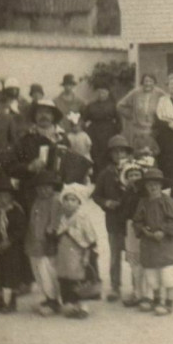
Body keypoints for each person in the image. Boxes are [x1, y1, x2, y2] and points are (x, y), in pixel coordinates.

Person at [133, 168, 173, 316]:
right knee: (152, 272)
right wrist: (143, 230)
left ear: (161, 186)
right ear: (146, 187)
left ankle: (168, 302)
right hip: (149, 242)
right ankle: (156, 298)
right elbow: (137, 221)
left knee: (167, 273)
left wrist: (164, 230)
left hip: (164, 243)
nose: (153, 187)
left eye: (156, 184)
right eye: (149, 185)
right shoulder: (143, 202)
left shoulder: (167, 201)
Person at [92, 135, 134, 302]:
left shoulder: (133, 170)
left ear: (127, 153)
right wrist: (106, 202)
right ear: (110, 154)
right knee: (115, 255)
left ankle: (137, 287)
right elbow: (96, 195)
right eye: (115, 152)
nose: (119, 154)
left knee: (133, 255)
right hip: (114, 220)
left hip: (130, 220)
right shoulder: (105, 174)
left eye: (122, 151)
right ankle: (115, 287)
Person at [10, 99, 70, 212]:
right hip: (32, 193)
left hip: (57, 193)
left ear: (53, 116)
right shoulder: (25, 140)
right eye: (40, 112)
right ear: (34, 116)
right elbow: (11, 167)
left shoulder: (63, 139)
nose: (44, 115)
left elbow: (70, 167)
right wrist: (28, 167)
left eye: (48, 112)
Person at [54, 184, 98, 319]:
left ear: (79, 202)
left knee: (80, 279)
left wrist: (86, 255)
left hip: (79, 252)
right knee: (66, 279)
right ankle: (72, 304)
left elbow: (90, 238)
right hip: (65, 253)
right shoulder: (61, 218)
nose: (69, 203)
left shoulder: (82, 218)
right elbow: (58, 233)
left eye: (73, 200)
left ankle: (83, 305)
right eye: (66, 200)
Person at [25, 170, 63, 316]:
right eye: (40, 188)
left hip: (47, 242)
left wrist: (50, 232)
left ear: (53, 187)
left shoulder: (55, 200)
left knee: (48, 271)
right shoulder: (37, 201)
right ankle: (47, 297)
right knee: (38, 271)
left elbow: (55, 221)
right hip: (34, 242)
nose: (43, 190)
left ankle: (54, 300)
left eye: (47, 187)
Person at [0, 176, 27, 314]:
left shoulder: (16, 211)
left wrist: (9, 241)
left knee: (13, 272)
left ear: (11, 197)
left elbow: (21, 229)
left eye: (6, 196)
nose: (2, 199)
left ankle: (13, 300)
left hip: (12, 247)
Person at [118, 161, 147, 307]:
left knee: (144, 260)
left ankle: (144, 294)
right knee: (134, 261)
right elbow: (123, 211)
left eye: (137, 174)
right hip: (130, 227)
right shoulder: (127, 193)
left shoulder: (145, 192)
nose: (134, 178)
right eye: (131, 175)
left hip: (142, 227)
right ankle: (136, 291)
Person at [116, 73, 166, 151]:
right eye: (146, 81)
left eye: (150, 81)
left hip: (154, 130)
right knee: (137, 152)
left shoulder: (160, 93)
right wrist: (131, 115)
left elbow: (168, 106)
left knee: (153, 152)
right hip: (138, 130)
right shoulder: (135, 93)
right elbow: (120, 105)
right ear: (142, 82)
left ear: (154, 82)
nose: (148, 84)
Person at [82, 81, 121, 177]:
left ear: (107, 93)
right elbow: (83, 119)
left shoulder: (113, 105)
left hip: (109, 132)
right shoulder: (91, 105)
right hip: (94, 132)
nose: (101, 95)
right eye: (99, 92)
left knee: (107, 154)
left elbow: (119, 121)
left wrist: (116, 133)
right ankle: (95, 177)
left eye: (103, 92)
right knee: (95, 154)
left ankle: (108, 176)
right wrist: (86, 130)